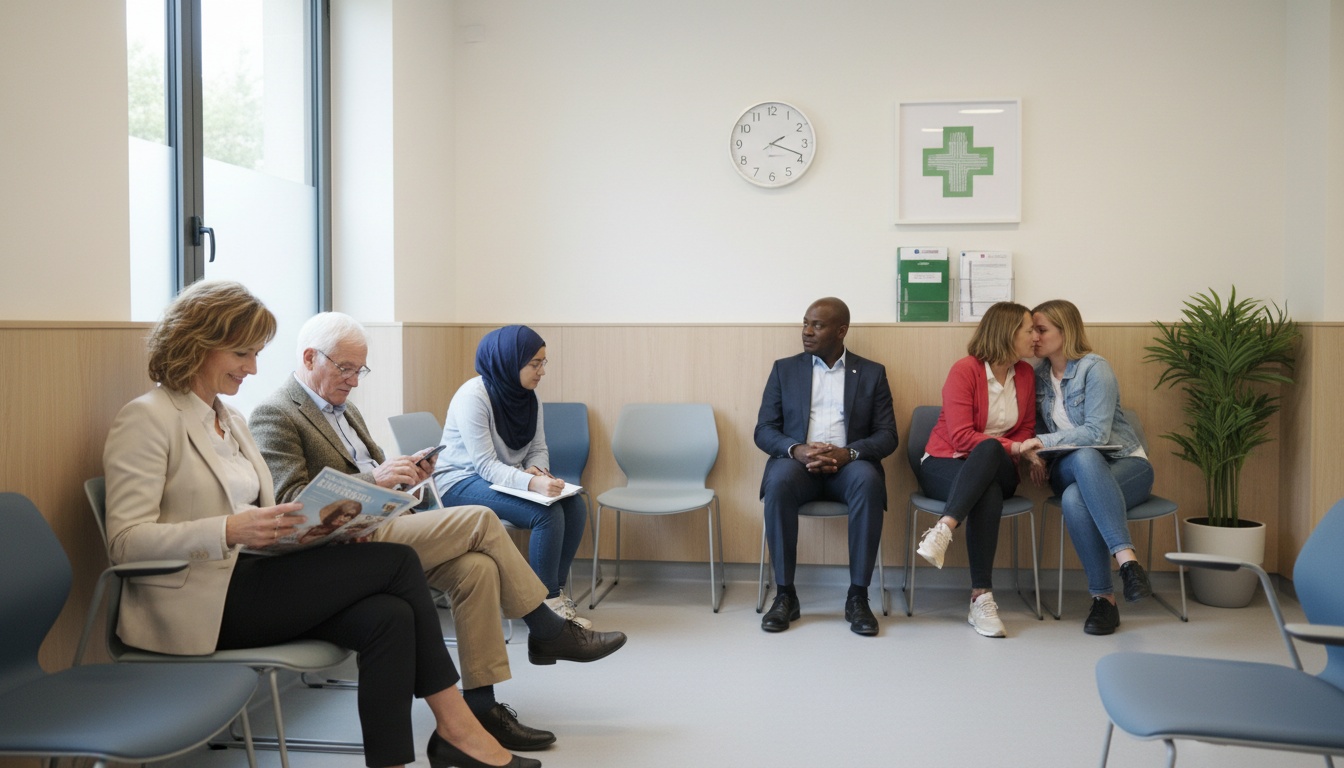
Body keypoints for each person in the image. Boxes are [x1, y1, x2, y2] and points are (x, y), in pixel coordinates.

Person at [102, 280, 537, 768]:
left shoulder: (231, 420)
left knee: (389, 618)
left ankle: (401, 759)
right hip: (206, 601)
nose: (253, 368)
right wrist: (229, 530)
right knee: (396, 563)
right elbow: (123, 543)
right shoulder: (147, 419)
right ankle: (458, 729)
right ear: (196, 344)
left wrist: (326, 520)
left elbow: (277, 509)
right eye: (242, 353)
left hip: (261, 572)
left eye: (255, 353)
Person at [250, 312, 627, 752]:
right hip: (340, 547)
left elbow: (373, 472)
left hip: (386, 523)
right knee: (480, 519)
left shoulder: (345, 410)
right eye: (345, 368)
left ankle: (481, 708)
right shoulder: (275, 413)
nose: (354, 381)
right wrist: (378, 482)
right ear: (311, 357)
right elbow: (292, 507)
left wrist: (408, 474)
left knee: (477, 569)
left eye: (360, 370)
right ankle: (546, 627)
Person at [753, 297, 899, 635]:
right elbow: (764, 430)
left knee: (868, 480)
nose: (806, 331)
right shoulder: (784, 369)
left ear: (841, 330)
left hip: (849, 466)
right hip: (797, 466)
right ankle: (785, 595)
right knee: (777, 482)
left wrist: (847, 454)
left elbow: (888, 435)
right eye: (805, 323)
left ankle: (857, 597)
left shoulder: (872, 373)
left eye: (816, 325)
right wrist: (798, 450)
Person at [433, 325, 590, 627]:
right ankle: (544, 608)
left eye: (544, 362)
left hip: (500, 478)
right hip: (458, 482)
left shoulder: (529, 397)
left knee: (574, 505)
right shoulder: (473, 397)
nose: (542, 371)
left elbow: (538, 448)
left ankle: (552, 594)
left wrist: (540, 473)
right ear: (508, 361)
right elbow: (485, 465)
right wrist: (532, 483)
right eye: (534, 363)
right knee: (547, 514)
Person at [1018, 299, 1154, 635]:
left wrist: (1042, 443)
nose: (1034, 336)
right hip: (1069, 467)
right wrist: (1035, 453)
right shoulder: (1036, 379)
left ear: (1066, 332)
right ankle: (1129, 564)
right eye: (1032, 329)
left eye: (1042, 329)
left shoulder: (1096, 368)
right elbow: (1033, 429)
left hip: (1127, 464)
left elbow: (1097, 432)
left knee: (1076, 497)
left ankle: (1103, 601)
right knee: (1083, 456)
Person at [914, 301, 1038, 638]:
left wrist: (1018, 449)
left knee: (987, 452)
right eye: (1029, 330)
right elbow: (959, 436)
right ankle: (981, 597)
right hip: (944, 462)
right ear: (1008, 332)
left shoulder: (1025, 374)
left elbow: (1026, 427)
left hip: (1001, 466)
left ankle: (943, 528)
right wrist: (1011, 446)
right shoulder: (965, 370)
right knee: (987, 491)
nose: (1035, 337)